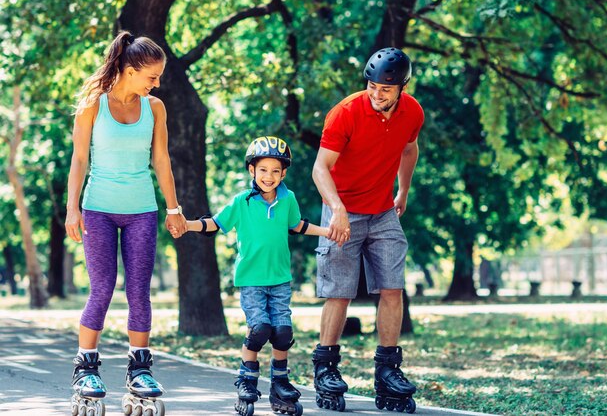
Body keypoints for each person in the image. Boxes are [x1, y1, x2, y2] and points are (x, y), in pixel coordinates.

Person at [65, 30, 186, 416]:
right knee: (102, 287)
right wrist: (72, 208)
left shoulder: (155, 109)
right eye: (152, 76)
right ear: (131, 70)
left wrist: (173, 208)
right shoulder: (92, 105)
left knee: (139, 290)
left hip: (141, 210)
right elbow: (79, 161)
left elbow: (162, 160)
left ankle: (140, 368)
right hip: (98, 207)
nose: (157, 83)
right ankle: (86, 366)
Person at [311, 47, 424, 413]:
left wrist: (403, 190)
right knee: (339, 292)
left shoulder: (413, 113)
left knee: (393, 288)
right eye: (372, 86)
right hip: (341, 209)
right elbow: (319, 169)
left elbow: (410, 150)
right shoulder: (344, 113)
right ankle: (326, 368)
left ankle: (388, 370)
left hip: (382, 211)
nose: (377, 94)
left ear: (402, 87)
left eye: (386, 90)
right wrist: (337, 209)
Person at [181, 136, 327, 416]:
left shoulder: (289, 198)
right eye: (263, 170)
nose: (269, 176)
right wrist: (187, 225)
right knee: (260, 329)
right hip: (251, 280)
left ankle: (280, 382)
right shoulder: (242, 202)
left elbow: (297, 226)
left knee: (283, 332)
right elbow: (216, 223)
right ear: (252, 171)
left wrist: (326, 231)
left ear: (283, 173)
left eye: (275, 171)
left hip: (280, 279)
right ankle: (247, 379)